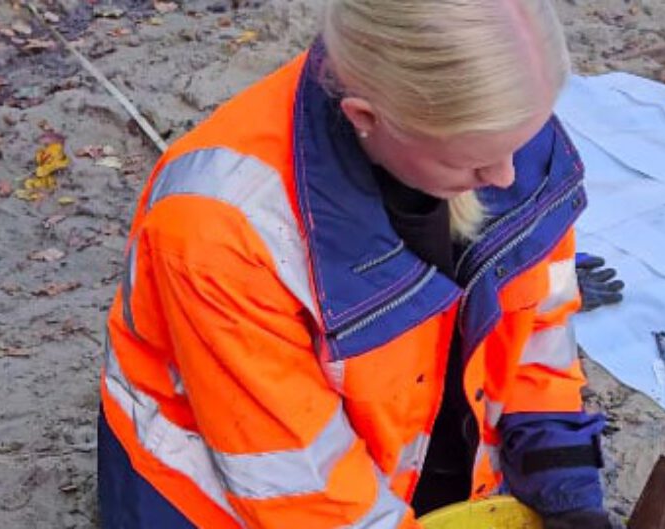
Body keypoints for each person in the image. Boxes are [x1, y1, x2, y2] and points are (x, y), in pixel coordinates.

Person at [96, 1, 616, 527]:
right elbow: (301, 489)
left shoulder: (503, 131)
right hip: (227, 497)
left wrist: (563, 480)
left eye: (521, 142)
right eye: (472, 161)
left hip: (392, 458)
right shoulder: (222, 231)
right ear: (364, 118)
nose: (507, 177)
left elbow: (536, 328)